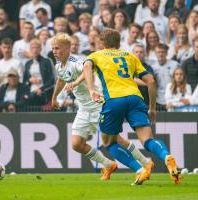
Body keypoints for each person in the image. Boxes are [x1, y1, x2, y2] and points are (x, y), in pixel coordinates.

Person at [51, 33, 154, 185]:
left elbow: (89, 71)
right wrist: (54, 98)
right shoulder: (59, 66)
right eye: (53, 48)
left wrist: (76, 83)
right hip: (84, 109)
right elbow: (61, 78)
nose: (54, 51)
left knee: (116, 140)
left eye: (57, 48)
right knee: (76, 144)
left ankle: (143, 165)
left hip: (98, 104)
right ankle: (108, 164)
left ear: (67, 49)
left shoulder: (77, 61)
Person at [83, 28, 182, 185]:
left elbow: (87, 67)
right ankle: (166, 156)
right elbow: (151, 81)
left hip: (114, 100)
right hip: (135, 98)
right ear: (119, 43)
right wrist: (152, 108)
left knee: (110, 142)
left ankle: (140, 169)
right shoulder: (130, 56)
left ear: (102, 43)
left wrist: (91, 90)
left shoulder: (96, 55)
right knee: (147, 139)